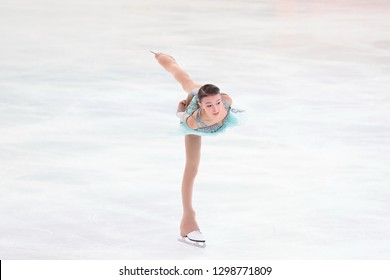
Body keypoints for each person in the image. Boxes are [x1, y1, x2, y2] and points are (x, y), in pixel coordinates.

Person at [152, 52, 243, 247]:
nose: (216, 109)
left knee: (190, 81)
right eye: (209, 105)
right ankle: (188, 218)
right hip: (194, 121)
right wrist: (181, 110)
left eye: (217, 103)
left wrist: (217, 103)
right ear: (201, 105)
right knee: (192, 167)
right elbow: (181, 116)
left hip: (208, 114)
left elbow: (220, 103)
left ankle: (165, 57)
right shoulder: (194, 120)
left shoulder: (226, 102)